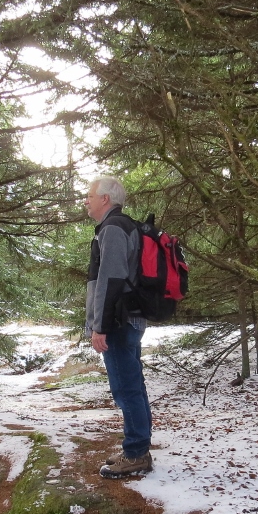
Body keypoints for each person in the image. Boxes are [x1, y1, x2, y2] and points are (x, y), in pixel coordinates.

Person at [83, 176, 153, 479]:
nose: (86, 200)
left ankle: (136, 454)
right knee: (132, 386)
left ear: (105, 200)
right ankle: (137, 449)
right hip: (129, 318)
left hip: (119, 322)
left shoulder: (113, 228)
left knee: (126, 388)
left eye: (89, 195)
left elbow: (110, 280)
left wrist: (100, 327)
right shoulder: (122, 226)